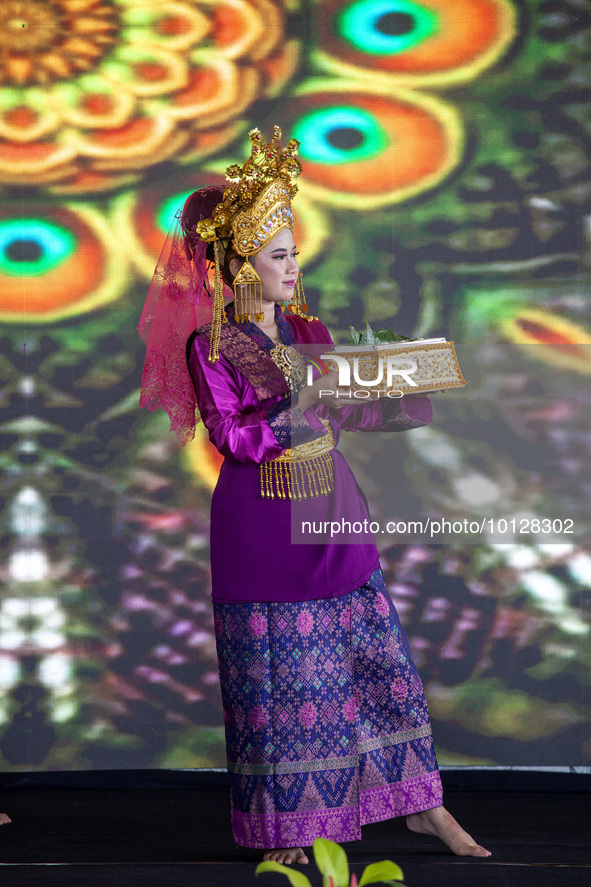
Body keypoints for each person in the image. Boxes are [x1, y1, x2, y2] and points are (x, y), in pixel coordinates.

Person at [138, 127, 490, 864]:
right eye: (277, 256)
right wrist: (304, 403)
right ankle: (293, 823)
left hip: (331, 502)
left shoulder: (308, 328)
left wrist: (392, 384)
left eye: (295, 254)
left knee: (376, 661)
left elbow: (352, 411)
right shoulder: (210, 345)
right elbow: (231, 436)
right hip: (261, 518)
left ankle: (424, 807)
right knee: (283, 674)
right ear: (238, 265)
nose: (293, 267)